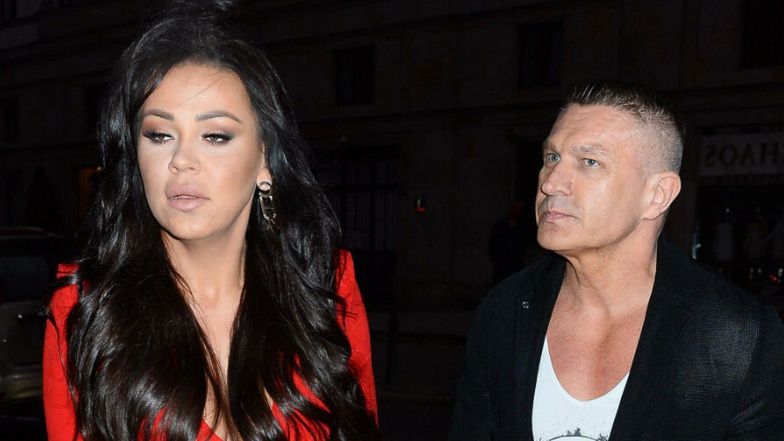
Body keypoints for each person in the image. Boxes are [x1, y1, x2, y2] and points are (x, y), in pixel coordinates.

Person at [42, 2, 380, 441]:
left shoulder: (325, 286)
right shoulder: (83, 309)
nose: (181, 159)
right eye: (160, 134)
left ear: (263, 159)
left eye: (215, 135)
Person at [449, 82, 784, 440]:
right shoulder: (505, 310)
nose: (551, 183)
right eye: (552, 158)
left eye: (590, 162)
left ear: (657, 195)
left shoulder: (739, 338)